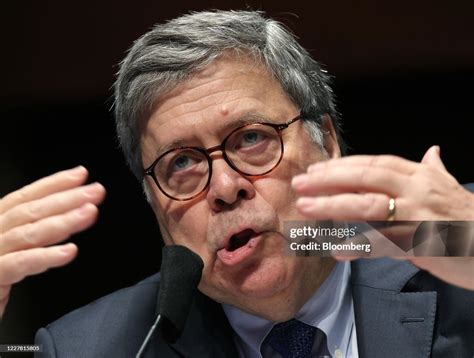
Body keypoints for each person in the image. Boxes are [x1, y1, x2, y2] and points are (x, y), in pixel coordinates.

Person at [0, 10, 473, 357]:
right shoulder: (97, 347)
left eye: (251, 138)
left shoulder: (444, 251)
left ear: (325, 142)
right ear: (152, 203)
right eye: (181, 162)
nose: (225, 187)